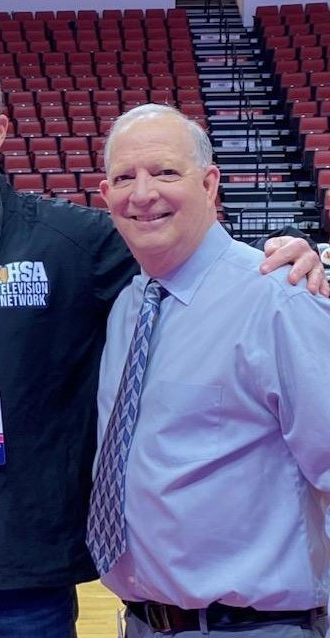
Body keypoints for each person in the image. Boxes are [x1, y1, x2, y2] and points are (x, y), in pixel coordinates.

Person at [0, 45, 327, 637]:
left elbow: (184, 248)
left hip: (34, 575)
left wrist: (286, 254)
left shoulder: (81, 242)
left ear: (0, 129)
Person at [88, 104, 330, 637]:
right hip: (144, 622)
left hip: (255, 626)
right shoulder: (128, 308)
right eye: (124, 178)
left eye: (164, 172)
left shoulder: (281, 299)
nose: (143, 193)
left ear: (209, 183)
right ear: (105, 195)